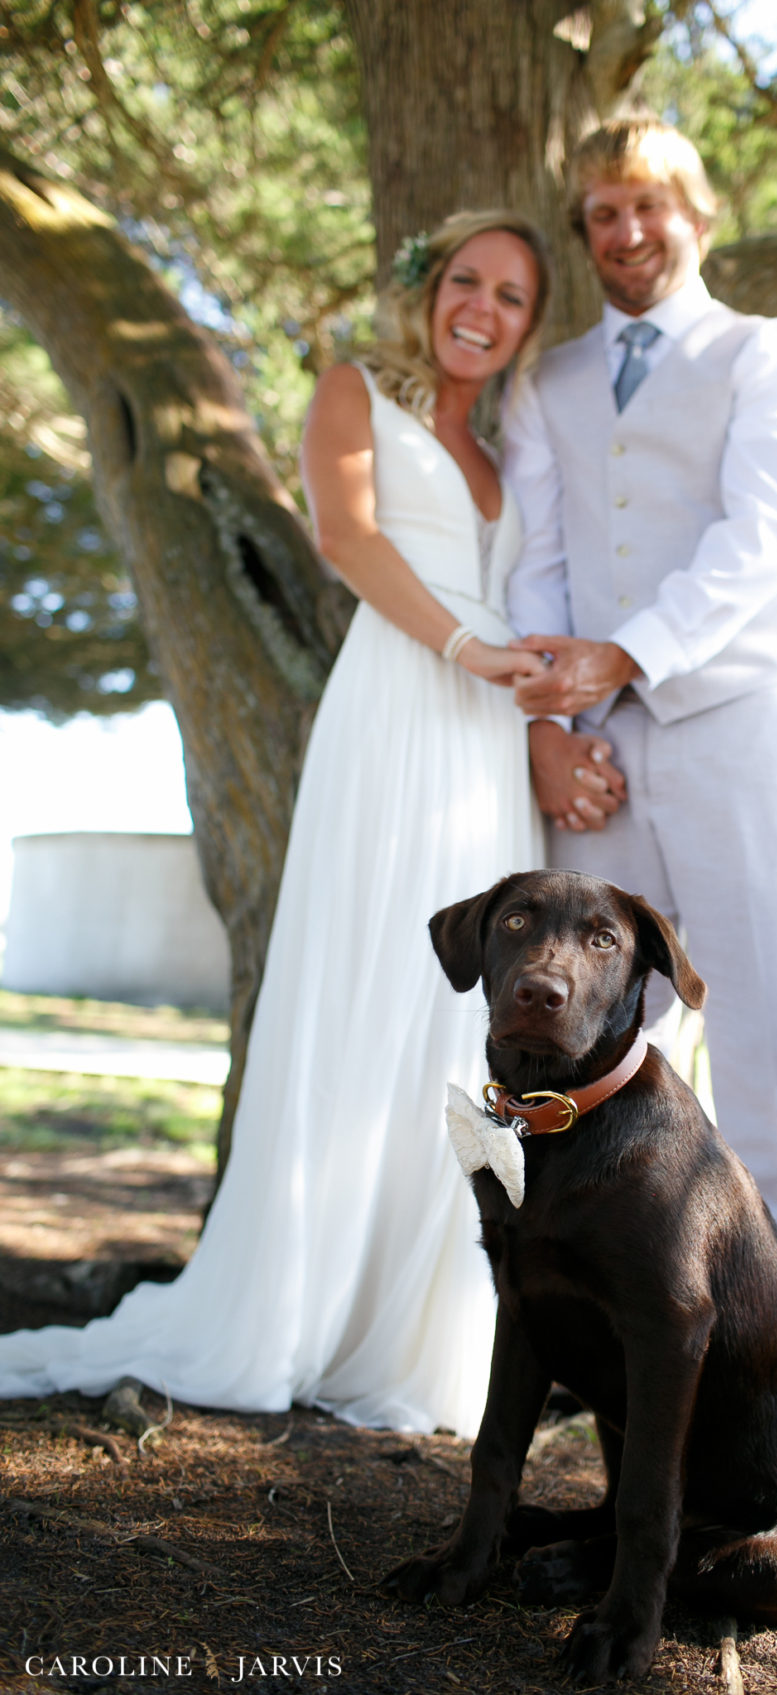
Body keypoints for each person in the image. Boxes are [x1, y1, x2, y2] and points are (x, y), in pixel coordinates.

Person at [0, 209, 604, 1438]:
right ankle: (303, 1300)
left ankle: (428, 1325)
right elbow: (346, 538)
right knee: (367, 983)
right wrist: (472, 650)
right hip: (395, 706)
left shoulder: (500, 451)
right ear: (428, 289)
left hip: (483, 740)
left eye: (510, 297)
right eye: (465, 282)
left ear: (528, 326)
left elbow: (521, 599)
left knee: (453, 1019)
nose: (480, 308)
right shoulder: (353, 391)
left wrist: (533, 716)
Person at [503, 118, 777, 1445]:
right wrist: (554, 717)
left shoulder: (767, 354)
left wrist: (630, 652)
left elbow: (761, 539)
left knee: (767, 1042)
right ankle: (614, 1337)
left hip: (733, 723)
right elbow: (540, 556)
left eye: (643, 206)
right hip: (599, 753)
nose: (621, 234)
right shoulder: (549, 377)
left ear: (698, 210)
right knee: (604, 1051)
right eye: (597, 214)